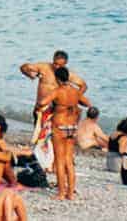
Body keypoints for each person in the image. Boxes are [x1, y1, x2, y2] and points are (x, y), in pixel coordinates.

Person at [44, 64, 86, 200]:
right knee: (69, 160)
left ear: (57, 78)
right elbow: (87, 103)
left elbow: (42, 102)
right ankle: (71, 193)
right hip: (72, 126)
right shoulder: (75, 91)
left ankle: (61, 192)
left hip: (59, 126)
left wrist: (55, 106)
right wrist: (73, 107)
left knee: (60, 161)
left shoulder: (57, 91)